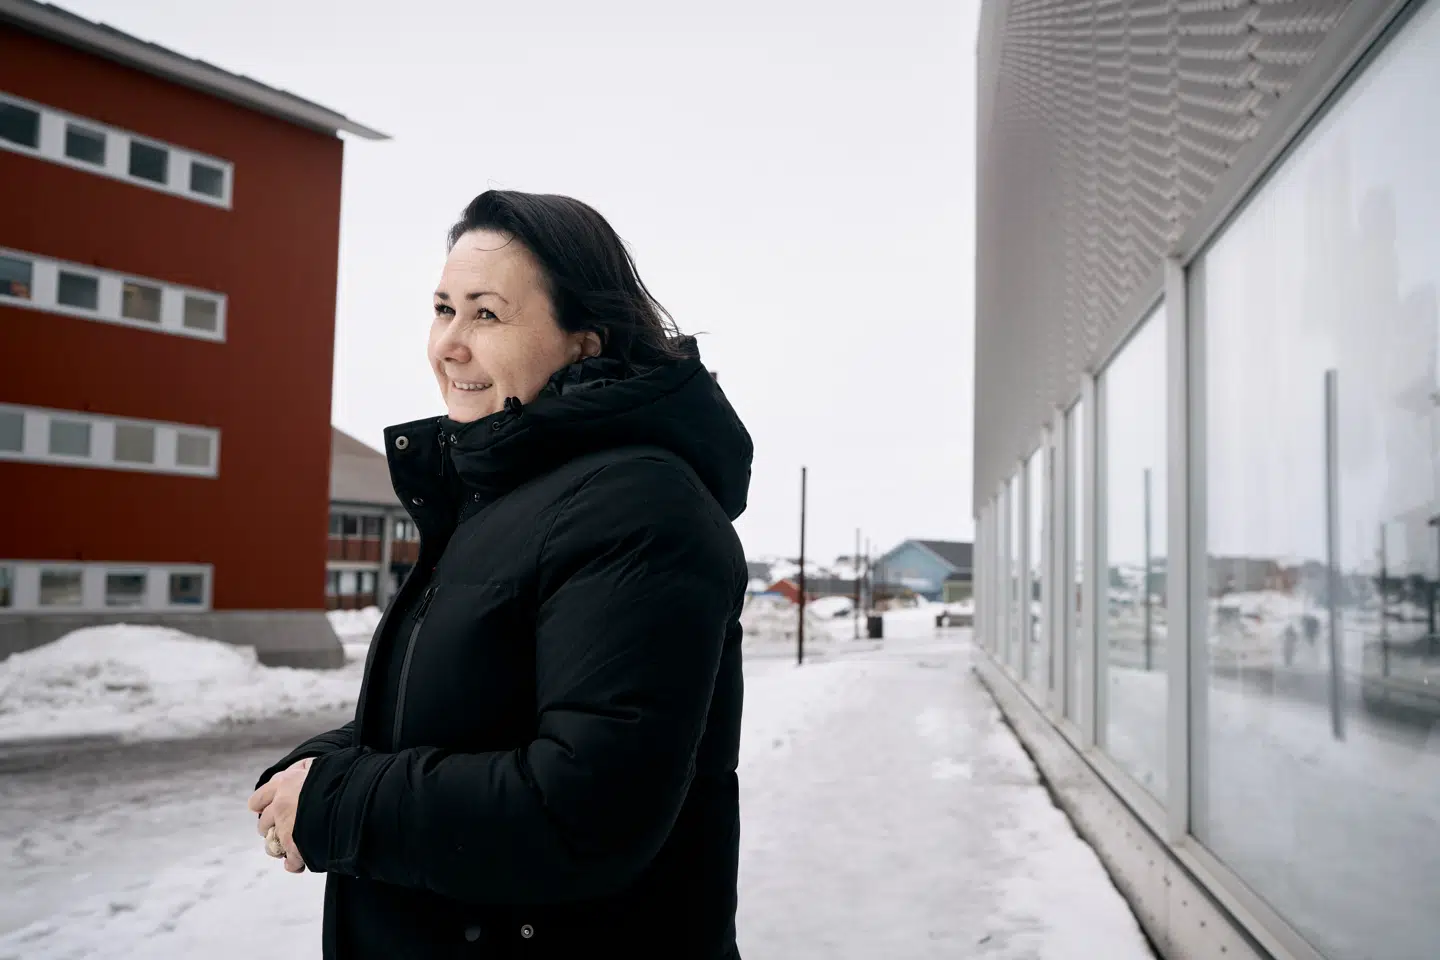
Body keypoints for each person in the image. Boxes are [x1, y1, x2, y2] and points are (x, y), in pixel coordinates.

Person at [247, 190, 752, 959]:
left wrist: (341, 805)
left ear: (583, 343)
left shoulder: (637, 507)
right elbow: (475, 710)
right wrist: (324, 767)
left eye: (485, 314)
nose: (449, 344)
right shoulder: (503, 502)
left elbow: (583, 812)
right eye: (443, 309)